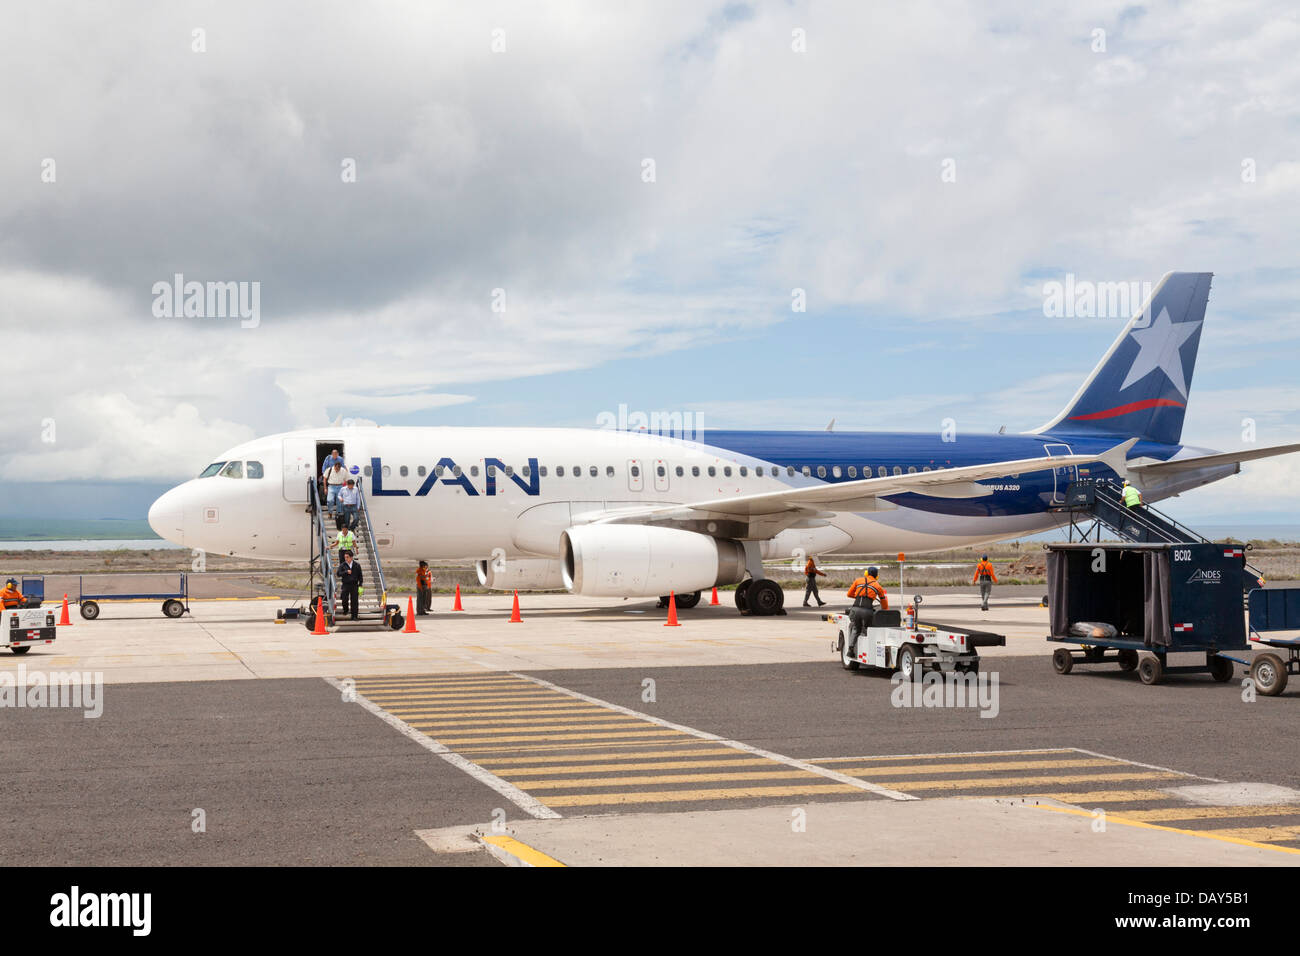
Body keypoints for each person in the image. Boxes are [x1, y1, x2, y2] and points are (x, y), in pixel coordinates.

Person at [845, 566, 888, 654]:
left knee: (856, 628)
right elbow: (884, 604)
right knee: (869, 629)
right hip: (867, 611)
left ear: (866, 573)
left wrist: (858, 596)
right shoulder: (878, 586)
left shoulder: (858, 580)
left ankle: (850, 649)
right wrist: (885, 611)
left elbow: (849, 594)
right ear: (876, 576)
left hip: (855, 609)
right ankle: (870, 650)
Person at [338, 550, 364, 620]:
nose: (346, 559)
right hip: (345, 585)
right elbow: (338, 574)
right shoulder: (343, 565)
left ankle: (354, 616)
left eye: (347, 557)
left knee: (354, 601)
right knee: (344, 599)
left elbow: (360, 576)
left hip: (354, 585)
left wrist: (360, 584)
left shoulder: (357, 565)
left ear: (351, 557)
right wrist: (346, 572)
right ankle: (345, 610)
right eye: (345, 557)